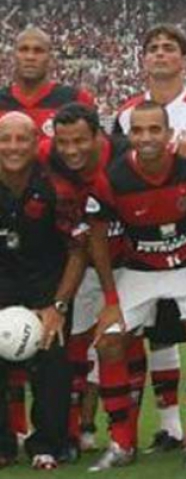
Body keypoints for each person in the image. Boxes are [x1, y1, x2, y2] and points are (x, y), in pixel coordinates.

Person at [112, 24, 186, 454]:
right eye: (153, 49)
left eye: (169, 48)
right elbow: (117, 170)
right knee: (159, 335)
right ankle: (170, 427)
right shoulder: (127, 113)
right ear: (143, 60)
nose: (160, 54)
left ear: (184, 59)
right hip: (145, 243)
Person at [87, 101, 186, 471]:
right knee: (110, 340)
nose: (146, 138)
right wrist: (110, 297)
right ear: (128, 135)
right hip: (140, 268)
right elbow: (97, 238)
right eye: (138, 131)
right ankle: (120, 442)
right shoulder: (112, 178)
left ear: (169, 133)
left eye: (154, 130)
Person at [0, 27, 95, 446]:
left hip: (47, 272)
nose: (13, 146)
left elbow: (77, 247)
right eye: (24, 48)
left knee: (54, 355)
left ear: (40, 143)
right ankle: (6, 442)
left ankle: (53, 441)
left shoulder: (58, 187)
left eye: (40, 48)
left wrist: (58, 304)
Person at [43, 103, 128, 459]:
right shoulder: (47, 155)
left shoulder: (124, 156)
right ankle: (75, 430)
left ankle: (115, 430)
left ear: (98, 136)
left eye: (80, 140)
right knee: (74, 348)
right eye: (64, 142)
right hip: (78, 263)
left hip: (130, 261)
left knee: (118, 344)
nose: (71, 150)